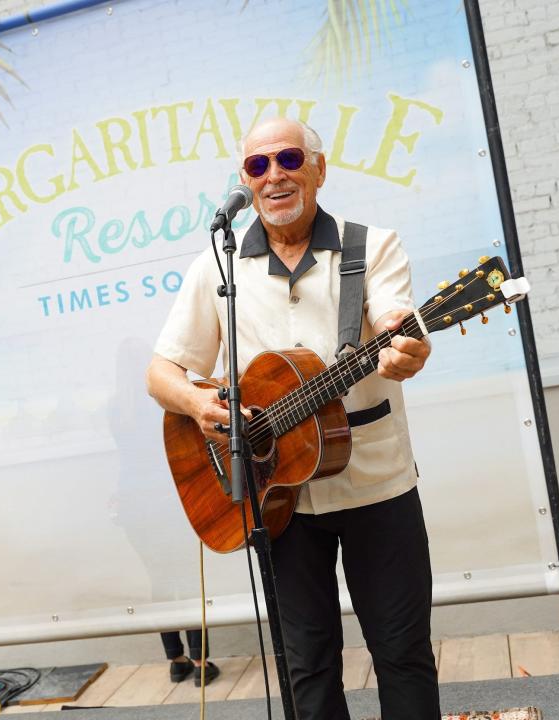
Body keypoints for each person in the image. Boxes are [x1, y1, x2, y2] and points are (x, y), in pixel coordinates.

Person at [145, 117, 439, 720]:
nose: (274, 175)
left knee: (402, 654)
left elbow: (394, 319)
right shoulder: (218, 268)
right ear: (245, 182)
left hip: (377, 488)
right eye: (258, 166)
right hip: (280, 502)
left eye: (288, 159)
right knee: (306, 667)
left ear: (318, 170)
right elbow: (161, 373)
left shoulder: (371, 246)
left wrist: (403, 347)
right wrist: (200, 404)